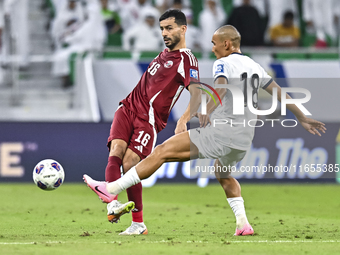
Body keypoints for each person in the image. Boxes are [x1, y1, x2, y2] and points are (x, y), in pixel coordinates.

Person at [83, 25, 326, 236]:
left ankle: (111, 188)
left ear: (227, 44)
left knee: (161, 152)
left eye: (214, 43)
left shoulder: (224, 63)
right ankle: (243, 224)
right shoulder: (255, 66)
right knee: (223, 173)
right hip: (244, 139)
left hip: (221, 132)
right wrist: (302, 117)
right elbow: (278, 93)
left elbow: (219, 87)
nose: (212, 48)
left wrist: (207, 110)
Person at [84, 9, 201, 235]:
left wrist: (184, 120)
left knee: (130, 163)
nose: (164, 33)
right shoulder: (162, 54)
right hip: (126, 107)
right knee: (115, 152)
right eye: (161, 29)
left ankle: (138, 224)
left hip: (148, 120)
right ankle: (113, 206)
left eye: (169, 28)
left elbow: (197, 94)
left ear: (183, 29)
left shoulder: (187, 59)